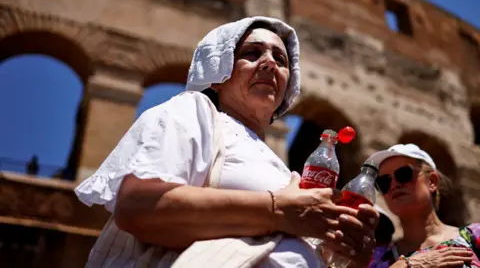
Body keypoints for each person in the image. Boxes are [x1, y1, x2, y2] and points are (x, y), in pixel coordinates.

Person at [75, 16, 379, 267]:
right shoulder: (194, 112)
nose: (269, 63)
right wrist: (277, 210)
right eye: (252, 53)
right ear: (219, 72)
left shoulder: (282, 170)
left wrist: (351, 252)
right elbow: (138, 207)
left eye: (280, 58)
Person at [367, 144, 480, 268]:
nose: (394, 185)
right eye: (384, 182)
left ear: (432, 181)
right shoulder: (378, 257)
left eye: (404, 174)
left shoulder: (475, 236)